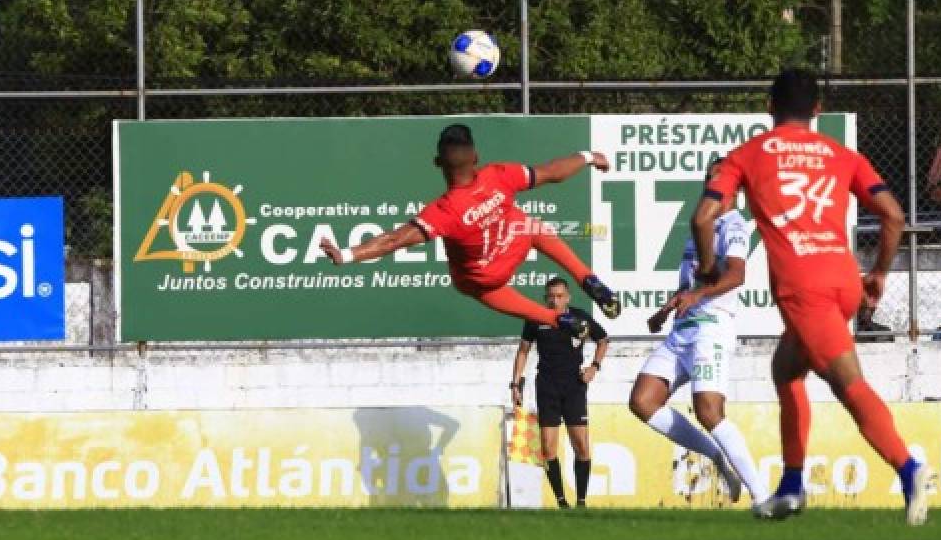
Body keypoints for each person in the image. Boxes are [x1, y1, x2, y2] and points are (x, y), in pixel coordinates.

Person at [691, 69, 933, 525]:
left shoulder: (746, 155)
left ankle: (909, 469)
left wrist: (707, 269)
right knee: (786, 370)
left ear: (769, 107)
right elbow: (894, 214)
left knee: (847, 384)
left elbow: (704, 218)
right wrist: (878, 272)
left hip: (804, 288)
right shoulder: (842, 155)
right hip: (843, 278)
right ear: (818, 110)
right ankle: (791, 487)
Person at [320, 123, 621, 339]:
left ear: (438, 163)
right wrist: (589, 156)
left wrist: (345, 255)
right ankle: (588, 278)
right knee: (530, 225)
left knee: (477, 285)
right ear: (475, 156)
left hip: (484, 278)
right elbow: (553, 172)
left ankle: (557, 319)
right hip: (512, 245)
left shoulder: (444, 211)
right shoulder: (499, 176)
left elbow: (393, 240)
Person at [627, 159, 766, 507]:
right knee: (642, 401)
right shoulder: (699, 228)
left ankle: (762, 495)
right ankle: (715, 456)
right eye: (709, 178)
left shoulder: (733, 226)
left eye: (719, 178)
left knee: (708, 411)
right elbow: (692, 282)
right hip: (681, 330)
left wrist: (697, 296)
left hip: (711, 328)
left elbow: (735, 276)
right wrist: (666, 309)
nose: (712, 184)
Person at [510, 277, 609, 508]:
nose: (555, 301)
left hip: (574, 386)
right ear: (546, 298)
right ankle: (562, 502)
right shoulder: (536, 318)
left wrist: (594, 367)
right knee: (547, 447)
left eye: (559, 296)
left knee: (581, 446)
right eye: (551, 296)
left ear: (568, 297)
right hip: (547, 386)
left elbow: (603, 340)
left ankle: (581, 502)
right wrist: (516, 384)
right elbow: (523, 351)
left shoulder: (579, 317)